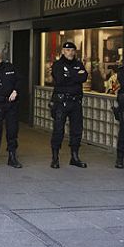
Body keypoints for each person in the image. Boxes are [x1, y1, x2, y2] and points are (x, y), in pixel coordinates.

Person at [49, 41, 89, 169]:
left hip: (76, 102)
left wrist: (70, 76)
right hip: (61, 102)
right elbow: (60, 80)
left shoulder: (78, 64)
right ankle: (55, 157)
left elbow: (84, 77)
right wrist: (76, 76)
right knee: (58, 130)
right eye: (67, 50)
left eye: (72, 50)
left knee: (77, 130)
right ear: (62, 51)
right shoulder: (57, 65)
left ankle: (74, 157)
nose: (70, 53)